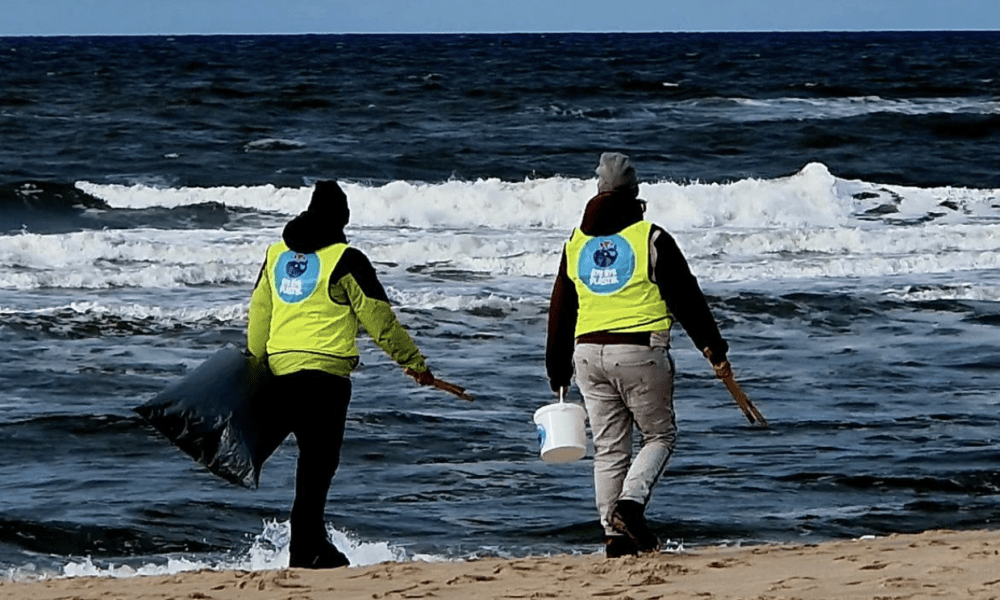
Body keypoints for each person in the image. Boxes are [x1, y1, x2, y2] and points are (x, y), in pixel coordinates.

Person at [545, 153, 732, 558]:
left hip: (586, 355)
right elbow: (686, 299)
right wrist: (713, 348)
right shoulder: (651, 238)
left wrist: (557, 370)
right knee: (660, 435)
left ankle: (613, 539)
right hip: (639, 352)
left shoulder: (575, 244)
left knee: (610, 449)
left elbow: (560, 311)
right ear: (634, 194)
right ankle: (629, 508)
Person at [247, 180, 435, 569]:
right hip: (324, 380)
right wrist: (414, 362)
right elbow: (379, 320)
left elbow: (258, 316)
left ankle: (311, 545)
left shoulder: (275, 255)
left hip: (279, 375)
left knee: (305, 464)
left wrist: (255, 365)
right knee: (317, 466)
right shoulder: (346, 259)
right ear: (342, 219)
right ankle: (306, 550)